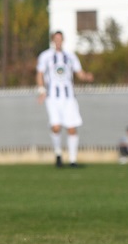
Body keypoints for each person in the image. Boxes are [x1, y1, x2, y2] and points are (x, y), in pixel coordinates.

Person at [36, 31, 93, 167]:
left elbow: (79, 73)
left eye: (60, 39)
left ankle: (73, 160)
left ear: (63, 40)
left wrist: (87, 77)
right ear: (52, 40)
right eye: (56, 39)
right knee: (56, 127)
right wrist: (41, 90)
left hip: (68, 97)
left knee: (71, 128)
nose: (58, 42)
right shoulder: (46, 56)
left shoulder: (70, 56)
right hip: (52, 97)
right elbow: (40, 73)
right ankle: (58, 154)